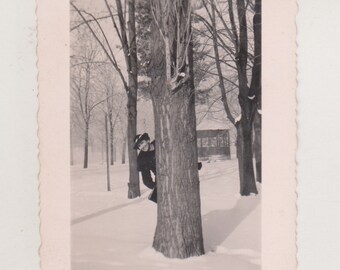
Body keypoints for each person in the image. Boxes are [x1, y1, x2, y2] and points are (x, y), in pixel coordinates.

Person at [133, 133, 203, 203]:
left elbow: (179, 156)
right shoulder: (142, 158)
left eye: (142, 142)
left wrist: (193, 165)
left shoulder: (161, 143)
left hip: (177, 172)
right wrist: (157, 186)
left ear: (147, 140)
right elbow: (146, 180)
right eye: (139, 146)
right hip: (162, 179)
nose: (142, 146)